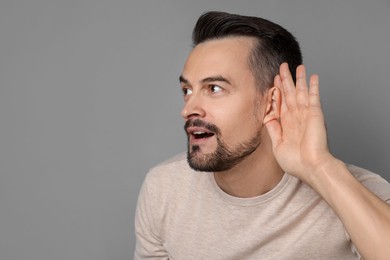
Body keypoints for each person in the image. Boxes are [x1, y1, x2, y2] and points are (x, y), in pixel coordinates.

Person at [134, 11, 390, 259]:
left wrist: (319, 167)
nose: (188, 109)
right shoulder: (163, 189)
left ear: (272, 102)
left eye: (214, 88)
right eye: (187, 90)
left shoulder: (360, 193)